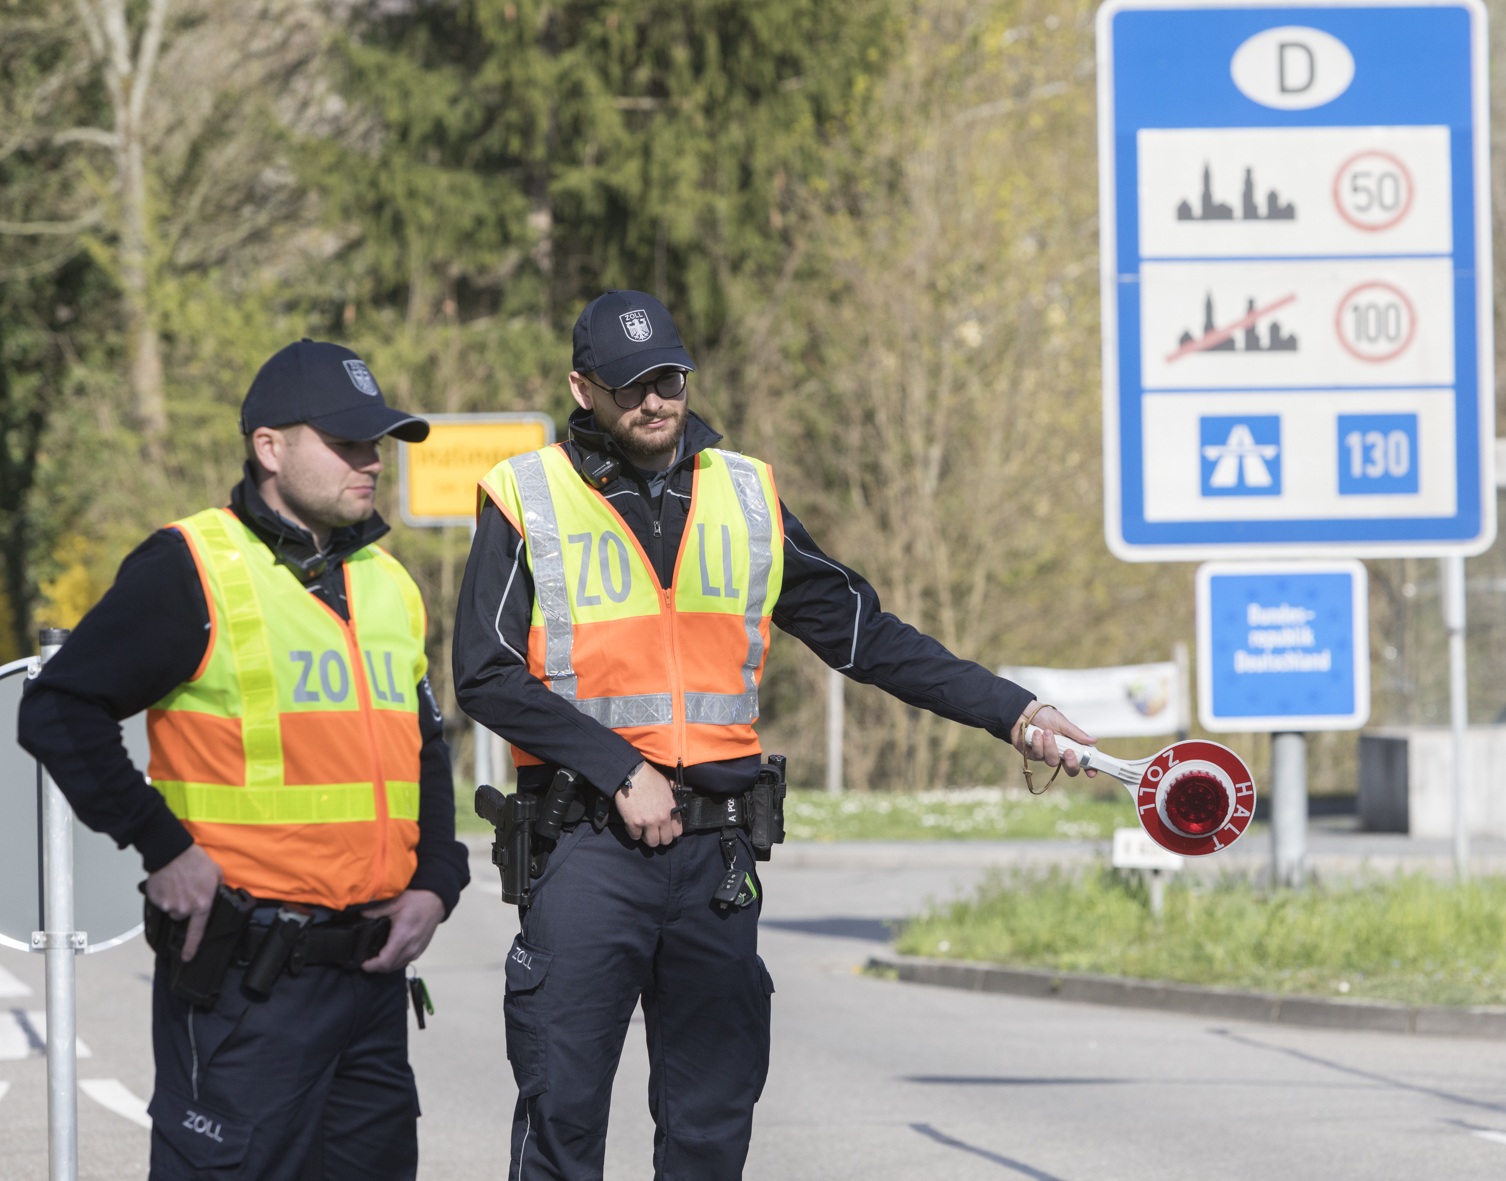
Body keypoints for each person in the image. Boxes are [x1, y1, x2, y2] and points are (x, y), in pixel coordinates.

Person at [453, 290, 1094, 1181]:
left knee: (712, 1130)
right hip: (586, 845)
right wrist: (616, 768)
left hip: (714, 852)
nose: (656, 400)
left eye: (669, 377)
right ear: (583, 387)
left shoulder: (745, 493)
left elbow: (867, 634)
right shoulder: (527, 496)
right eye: (632, 384)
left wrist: (1014, 712)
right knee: (563, 1121)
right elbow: (484, 671)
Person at [19, 340, 471, 1180]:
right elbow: (57, 709)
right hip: (246, 989)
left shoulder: (386, 582)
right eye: (346, 444)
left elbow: (424, 745)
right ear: (270, 447)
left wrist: (437, 879)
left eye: (377, 444)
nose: (372, 462)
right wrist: (163, 847)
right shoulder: (189, 567)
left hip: (370, 985)